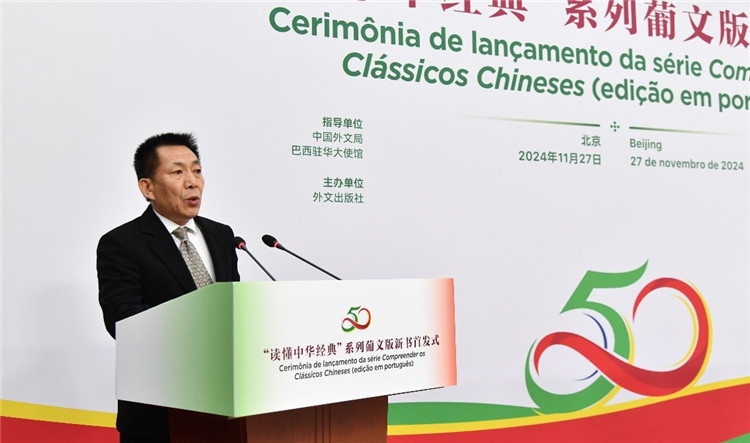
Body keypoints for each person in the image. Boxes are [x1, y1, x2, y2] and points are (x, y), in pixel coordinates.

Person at [97, 132, 240, 442]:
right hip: (159, 412)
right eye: (177, 172)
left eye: (197, 170)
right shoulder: (121, 243)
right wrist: (200, 328)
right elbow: (122, 320)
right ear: (147, 188)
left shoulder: (221, 235)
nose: (192, 182)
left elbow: (233, 308)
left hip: (223, 405)